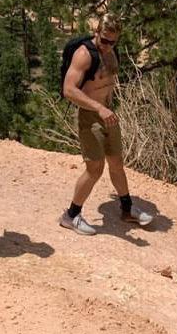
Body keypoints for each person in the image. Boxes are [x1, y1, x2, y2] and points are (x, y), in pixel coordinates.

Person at [59, 14, 154, 235]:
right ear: (97, 33)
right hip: (91, 115)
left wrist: (108, 109)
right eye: (104, 40)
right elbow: (69, 90)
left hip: (109, 115)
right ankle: (70, 215)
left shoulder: (111, 53)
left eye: (113, 42)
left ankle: (127, 208)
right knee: (94, 169)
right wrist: (99, 108)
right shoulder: (84, 55)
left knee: (116, 163)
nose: (107, 46)